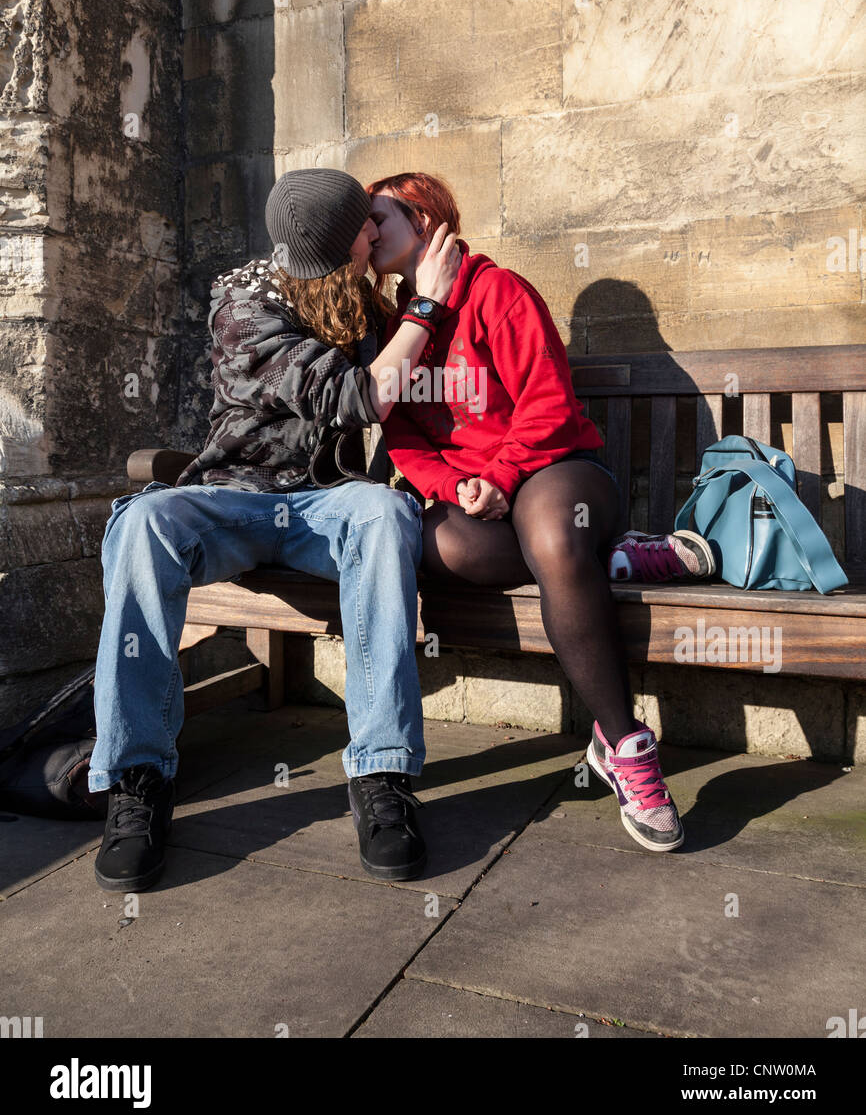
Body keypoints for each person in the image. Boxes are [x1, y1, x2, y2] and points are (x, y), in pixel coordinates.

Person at [89, 168, 461, 892]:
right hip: (234, 498)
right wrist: (425, 306)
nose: (375, 232)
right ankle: (137, 782)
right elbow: (360, 397)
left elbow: (424, 401)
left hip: (324, 502)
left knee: (385, 514)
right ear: (338, 245)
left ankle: (382, 776)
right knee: (142, 523)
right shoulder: (243, 303)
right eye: (364, 225)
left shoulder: (354, 292)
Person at [366, 172, 713, 854]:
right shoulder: (398, 324)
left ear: (427, 219)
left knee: (554, 535)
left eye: (381, 218)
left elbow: (549, 406)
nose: (368, 233)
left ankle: (623, 745)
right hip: (479, 499)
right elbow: (401, 431)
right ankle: (614, 554)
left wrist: (498, 477)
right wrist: (451, 487)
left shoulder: (498, 292)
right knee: (445, 545)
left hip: (558, 471)